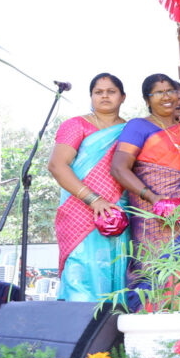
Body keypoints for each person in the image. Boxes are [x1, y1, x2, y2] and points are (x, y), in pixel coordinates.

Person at [48, 73, 130, 302]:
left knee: (117, 275)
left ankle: (112, 337)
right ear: (91, 96)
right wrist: (94, 200)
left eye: (111, 91)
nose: (104, 96)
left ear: (123, 97)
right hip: (81, 211)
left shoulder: (131, 130)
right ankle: (80, 334)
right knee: (81, 274)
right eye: (98, 92)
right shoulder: (75, 125)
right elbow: (56, 165)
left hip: (118, 212)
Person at [111, 74, 180, 288]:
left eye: (170, 91)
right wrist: (154, 198)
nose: (166, 96)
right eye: (158, 92)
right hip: (150, 213)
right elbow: (119, 168)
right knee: (152, 273)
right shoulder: (138, 127)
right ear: (147, 100)